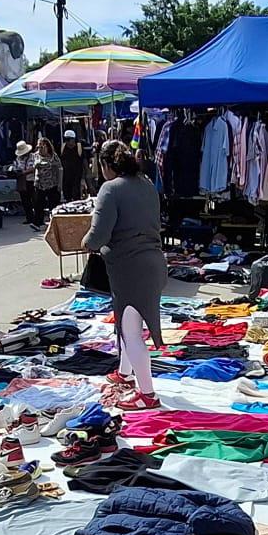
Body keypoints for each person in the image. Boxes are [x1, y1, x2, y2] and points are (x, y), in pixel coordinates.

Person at [82, 139, 168, 412]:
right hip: (153, 263)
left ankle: (147, 394)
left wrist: (85, 242)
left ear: (106, 165)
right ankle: (125, 373)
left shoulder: (110, 188)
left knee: (131, 332)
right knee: (127, 323)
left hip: (130, 269)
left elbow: (97, 236)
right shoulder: (146, 184)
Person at [33, 137, 62, 223]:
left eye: (42, 147)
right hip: (39, 184)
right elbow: (33, 166)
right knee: (38, 205)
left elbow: (60, 169)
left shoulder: (53, 156)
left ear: (47, 147)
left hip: (52, 184)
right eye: (38, 147)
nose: (40, 149)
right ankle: (38, 223)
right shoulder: (35, 156)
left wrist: (60, 184)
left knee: (53, 205)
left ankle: (54, 222)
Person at [11, 140, 38, 229]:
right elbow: (15, 167)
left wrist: (24, 172)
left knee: (34, 200)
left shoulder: (33, 157)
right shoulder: (17, 159)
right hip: (22, 181)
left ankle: (36, 218)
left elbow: (35, 167)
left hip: (31, 180)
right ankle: (29, 218)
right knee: (25, 201)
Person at [60, 130, 86, 201]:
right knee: (67, 195)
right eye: (65, 139)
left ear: (73, 139)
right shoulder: (63, 147)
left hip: (76, 176)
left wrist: (84, 177)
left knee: (76, 195)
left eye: (68, 139)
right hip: (66, 177)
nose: (67, 142)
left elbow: (84, 162)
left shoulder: (79, 147)